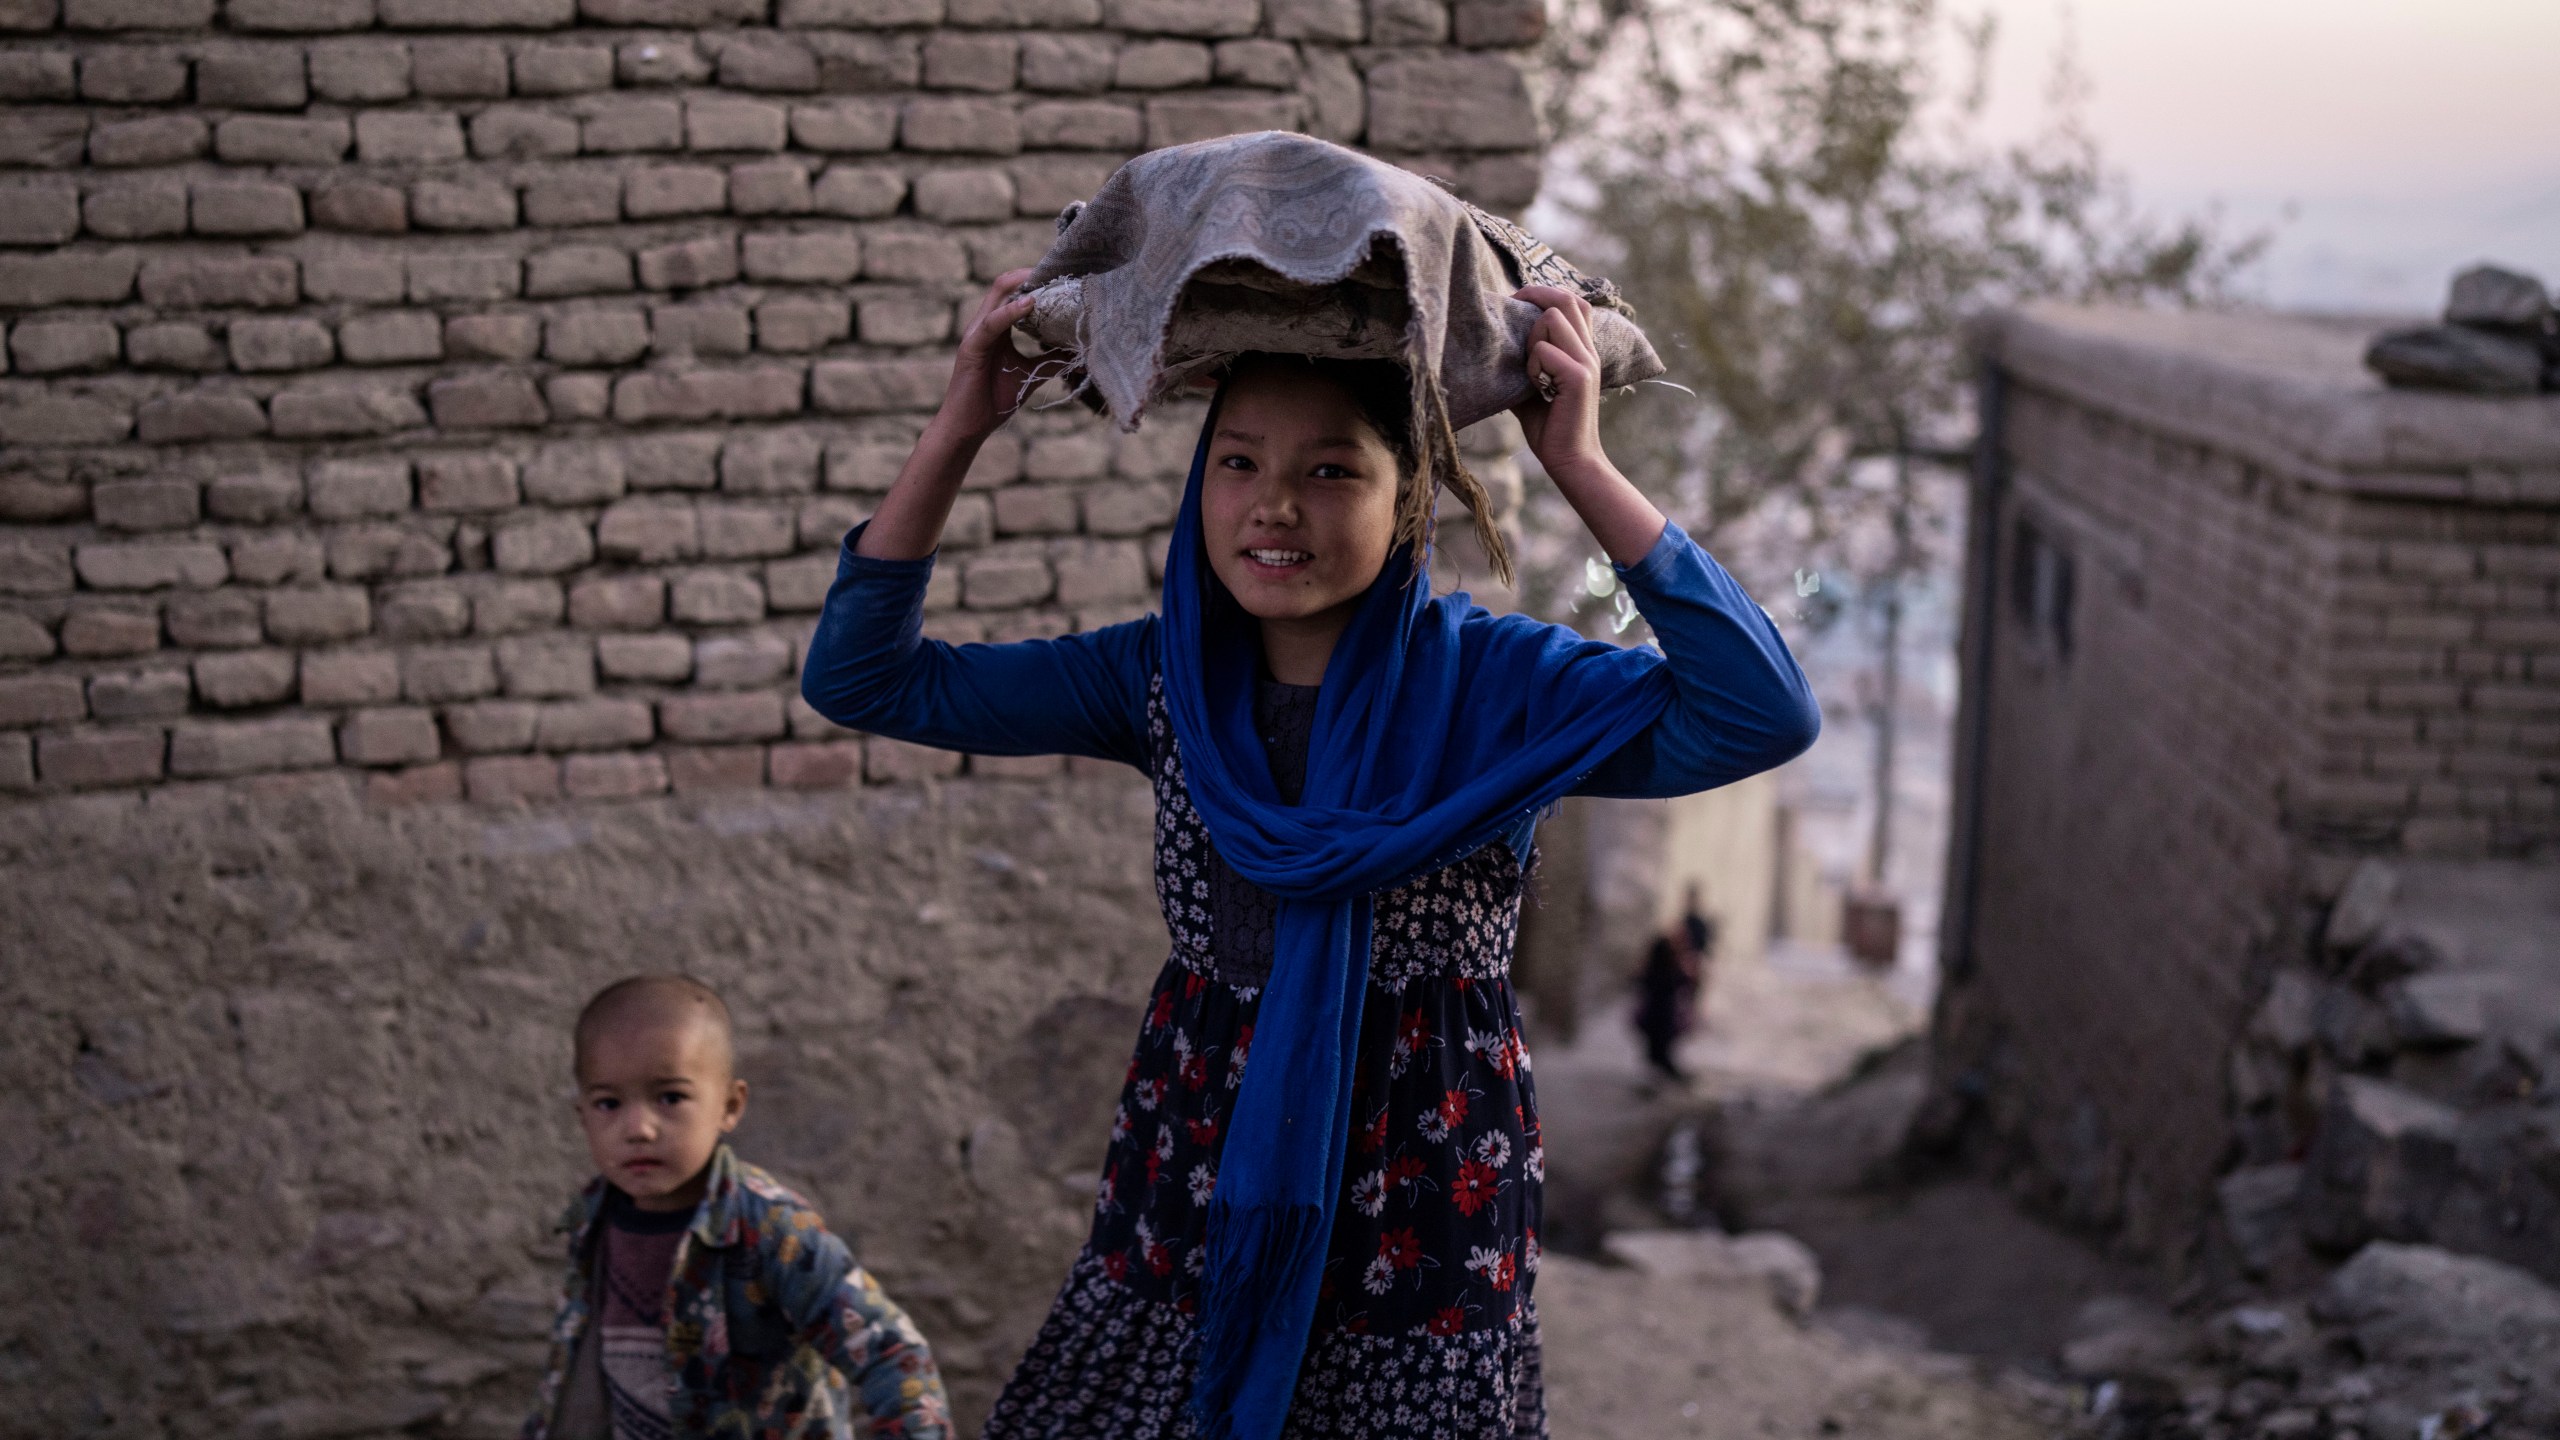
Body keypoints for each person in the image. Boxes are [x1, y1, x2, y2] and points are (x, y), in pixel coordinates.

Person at [801, 270, 1820, 1440]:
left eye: (1331, 470)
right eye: (1237, 463)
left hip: (1429, 1175)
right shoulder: (1157, 677)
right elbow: (862, 678)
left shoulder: (1500, 688)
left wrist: (1578, 465)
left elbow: (1762, 712)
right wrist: (957, 430)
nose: (1273, 505)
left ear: (1412, 501)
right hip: (1199, 1165)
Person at [523, 975, 952, 1440]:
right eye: (608, 1103)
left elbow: (892, 1352)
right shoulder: (594, 1220)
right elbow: (577, 1375)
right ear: (582, 1116)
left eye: (670, 1098)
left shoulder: (769, 1228)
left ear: (729, 1106)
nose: (638, 1128)